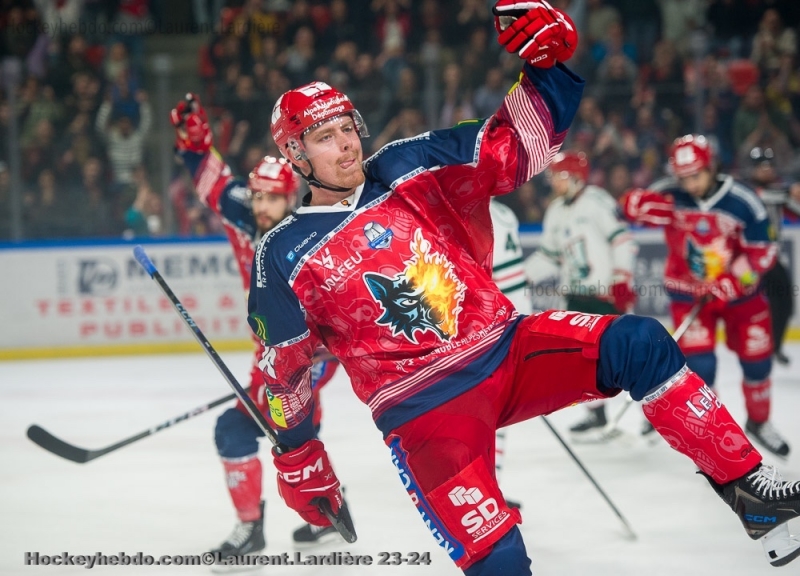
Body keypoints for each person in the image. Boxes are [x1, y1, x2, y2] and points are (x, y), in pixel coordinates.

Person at [248, 3, 800, 574]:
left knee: (640, 343)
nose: (346, 145)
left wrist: (547, 68)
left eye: (348, 128)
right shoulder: (282, 252)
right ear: (294, 154)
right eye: (325, 137)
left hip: (507, 349)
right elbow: (285, 371)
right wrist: (299, 456)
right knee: (500, 562)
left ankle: (749, 490)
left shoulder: (406, 166)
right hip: (424, 410)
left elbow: (512, 148)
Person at [169, 95, 343, 557]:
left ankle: (252, 529)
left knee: (236, 428)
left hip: (311, 356)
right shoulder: (245, 214)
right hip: (269, 353)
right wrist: (194, 142)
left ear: (291, 195)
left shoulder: (312, 236)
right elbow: (211, 182)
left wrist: (298, 369)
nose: (262, 206)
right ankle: (325, 510)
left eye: (273, 198)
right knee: (298, 433)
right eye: (258, 196)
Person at [620, 134, 791, 459]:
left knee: (757, 363)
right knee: (701, 368)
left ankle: (759, 423)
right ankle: (716, 434)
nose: (690, 185)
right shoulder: (670, 193)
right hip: (690, 296)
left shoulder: (744, 200)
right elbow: (629, 210)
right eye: (683, 177)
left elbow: (764, 252)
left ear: (711, 167)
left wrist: (733, 280)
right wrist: (630, 204)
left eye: (695, 176)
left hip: (742, 298)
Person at [521, 150, 638, 441]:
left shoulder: (597, 201)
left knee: (626, 357)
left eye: (560, 176)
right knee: (581, 361)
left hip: (604, 295)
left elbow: (623, 240)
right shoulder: (555, 210)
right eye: (553, 176)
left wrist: (621, 279)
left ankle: (654, 410)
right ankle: (597, 415)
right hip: (575, 296)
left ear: (576, 177)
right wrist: (519, 276)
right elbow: (549, 256)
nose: (554, 182)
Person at [746, 146, 800, 366]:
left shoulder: (777, 193)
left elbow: (795, 209)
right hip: (747, 260)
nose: (767, 170)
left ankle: (774, 346)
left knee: (784, 302)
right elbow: (763, 195)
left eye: (769, 166)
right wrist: (790, 191)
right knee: (747, 304)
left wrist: (792, 195)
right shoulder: (745, 190)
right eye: (762, 166)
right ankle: (753, 346)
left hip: (771, 259)